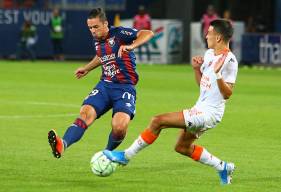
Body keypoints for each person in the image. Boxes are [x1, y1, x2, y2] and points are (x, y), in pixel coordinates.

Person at [104, 19, 238, 185]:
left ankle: (126, 156)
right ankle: (223, 167)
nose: (206, 35)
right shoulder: (209, 54)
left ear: (218, 38)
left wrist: (218, 74)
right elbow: (204, 85)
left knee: (157, 121)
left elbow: (227, 94)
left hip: (209, 114)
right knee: (182, 147)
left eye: (209, 33)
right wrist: (197, 69)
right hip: (200, 108)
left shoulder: (230, 61)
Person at [48, 8, 154, 159]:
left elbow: (148, 33)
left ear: (105, 24)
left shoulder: (119, 33)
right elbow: (101, 56)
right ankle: (62, 144)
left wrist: (131, 45)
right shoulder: (97, 39)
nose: (93, 31)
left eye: (96, 27)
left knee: (119, 127)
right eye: (90, 28)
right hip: (105, 86)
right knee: (85, 113)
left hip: (124, 88)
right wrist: (87, 68)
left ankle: (106, 154)